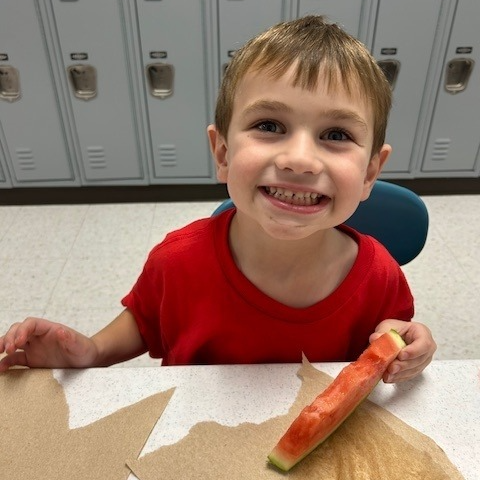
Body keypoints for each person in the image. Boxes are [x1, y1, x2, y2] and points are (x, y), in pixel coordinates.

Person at [0, 16, 436, 382]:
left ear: (369, 174)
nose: (300, 159)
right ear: (223, 154)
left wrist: (412, 346)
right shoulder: (177, 260)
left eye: (336, 135)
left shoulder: (381, 276)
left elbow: (393, 336)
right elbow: (147, 321)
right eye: (269, 125)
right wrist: (90, 352)